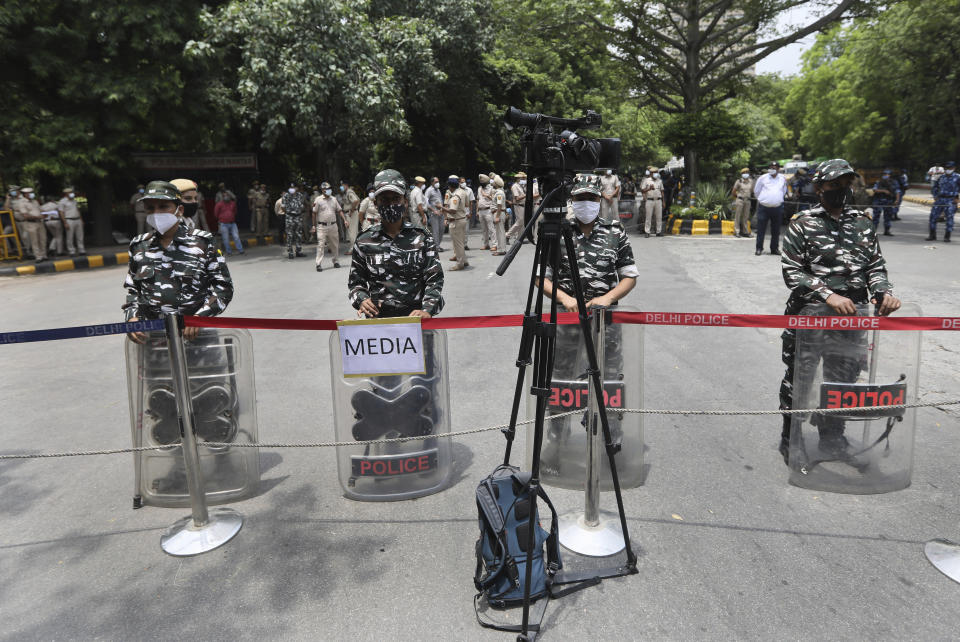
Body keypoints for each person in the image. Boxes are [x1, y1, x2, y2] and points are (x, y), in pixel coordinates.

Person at [778, 159, 900, 464]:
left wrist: (883, 290)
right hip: (811, 316)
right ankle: (790, 439)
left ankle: (833, 437)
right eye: (835, 185)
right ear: (820, 188)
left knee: (842, 381)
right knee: (800, 378)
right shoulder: (803, 223)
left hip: (852, 317)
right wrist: (828, 294)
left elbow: (874, 265)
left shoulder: (862, 221)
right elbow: (792, 271)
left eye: (847, 184)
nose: (842, 190)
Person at [539, 173, 639, 444]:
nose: (586, 203)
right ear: (572, 200)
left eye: (591, 198)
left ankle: (610, 440)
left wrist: (608, 297)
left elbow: (629, 275)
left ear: (599, 200)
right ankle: (557, 441)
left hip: (605, 322)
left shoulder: (614, 231)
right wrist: (565, 298)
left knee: (608, 382)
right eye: (580, 198)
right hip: (567, 321)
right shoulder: (559, 232)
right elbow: (541, 278)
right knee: (561, 381)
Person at [123, 180, 233, 344]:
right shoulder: (139, 245)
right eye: (150, 208)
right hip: (154, 340)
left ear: (179, 209)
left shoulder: (202, 242)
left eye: (163, 207)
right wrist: (132, 319)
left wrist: (200, 317)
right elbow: (133, 290)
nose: (156, 213)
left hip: (198, 340)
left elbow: (223, 288)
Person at [348, 169, 444, 319]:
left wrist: (427, 309)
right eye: (384, 199)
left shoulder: (422, 237)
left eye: (396, 198)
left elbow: (434, 278)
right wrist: (362, 299)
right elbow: (356, 283)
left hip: (416, 319)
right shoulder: (364, 241)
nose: (391, 204)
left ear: (405, 202)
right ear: (376, 203)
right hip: (378, 321)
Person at [753, 161, 787, 256]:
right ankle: (759, 248)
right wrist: (765, 199)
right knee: (761, 229)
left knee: (776, 230)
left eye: (775, 167)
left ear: (778, 169)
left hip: (777, 208)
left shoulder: (782, 179)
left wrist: (776, 199)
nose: (773, 169)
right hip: (764, 208)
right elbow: (756, 191)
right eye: (771, 167)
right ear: (769, 169)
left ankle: (774, 249)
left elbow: (783, 191)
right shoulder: (763, 178)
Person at [312, 181, 348, 271]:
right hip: (321, 226)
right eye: (326, 189)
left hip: (333, 225)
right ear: (323, 190)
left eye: (329, 189)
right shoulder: (318, 200)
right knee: (321, 245)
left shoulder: (334, 199)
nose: (328, 190)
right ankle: (318, 264)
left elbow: (339, 210)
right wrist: (313, 226)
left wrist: (345, 220)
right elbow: (314, 213)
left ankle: (336, 261)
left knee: (335, 245)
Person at [442, 175, 469, 271]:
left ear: (450, 186)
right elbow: (467, 204)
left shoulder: (455, 196)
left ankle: (460, 263)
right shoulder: (462, 192)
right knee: (461, 242)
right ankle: (464, 260)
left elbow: (452, 210)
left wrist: (441, 207)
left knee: (457, 244)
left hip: (456, 221)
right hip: (462, 219)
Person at [928, 160, 959, 242]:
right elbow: (935, 187)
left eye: (950, 168)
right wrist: (935, 196)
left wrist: (957, 198)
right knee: (933, 217)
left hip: (951, 199)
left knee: (949, 218)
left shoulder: (958, 177)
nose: (948, 169)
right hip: (940, 199)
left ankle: (947, 236)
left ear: (954, 168)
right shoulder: (941, 177)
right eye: (947, 168)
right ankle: (932, 235)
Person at [14, 187, 47, 262]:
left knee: (42, 239)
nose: (31, 194)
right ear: (25, 194)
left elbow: (41, 210)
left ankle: (44, 255)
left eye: (31, 192)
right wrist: (37, 216)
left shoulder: (35, 201)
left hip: (40, 222)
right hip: (31, 223)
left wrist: (45, 214)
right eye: (29, 193)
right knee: (34, 240)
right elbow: (25, 215)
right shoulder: (22, 203)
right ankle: (38, 257)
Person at [280, 181, 308, 259]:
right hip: (290, 217)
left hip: (298, 217)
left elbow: (302, 205)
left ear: (297, 188)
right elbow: (283, 207)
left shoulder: (300, 195)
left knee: (299, 234)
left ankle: (298, 251)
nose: (292, 189)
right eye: (290, 187)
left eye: (294, 187)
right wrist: (289, 213)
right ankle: (290, 252)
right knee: (289, 235)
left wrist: (299, 211)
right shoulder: (286, 196)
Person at [214, 190, 244, 255]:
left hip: (232, 223)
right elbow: (216, 214)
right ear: (222, 197)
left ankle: (241, 250)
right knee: (226, 239)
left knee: (236, 237)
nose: (226, 197)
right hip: (223, 224)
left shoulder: (233, 203)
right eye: (224, 196)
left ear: (230, 196)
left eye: (227, 195)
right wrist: (221, 219)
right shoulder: (219, 204)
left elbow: (235, 212)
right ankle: (229, 252)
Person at [871, 169, 899, 236]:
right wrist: (884, 191)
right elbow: (875, 190)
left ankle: (887, 231)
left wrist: (896, 200)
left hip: (888, 201)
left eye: (887, 174)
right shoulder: (879, 182)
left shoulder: (894, 182)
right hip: (878, 201)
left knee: (888, 216)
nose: (885, 176)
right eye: (884, 174)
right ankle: (873, 232)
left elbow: (898, 191)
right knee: (876, 217)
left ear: (890, 175)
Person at [639, 166, 664, 237]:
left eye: (657, 172)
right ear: (651, 174)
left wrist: (663, 201)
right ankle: (647, 231)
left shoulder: (660, 181)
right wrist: (649, 189)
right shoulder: (646, 180)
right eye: (654, 173)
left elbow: (662, 191)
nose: (656, 174)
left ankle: (658, 231)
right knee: (648, 217)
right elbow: (642, 190)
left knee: (659, 217)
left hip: (658, 200)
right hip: (649, 200)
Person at [730, 168, 753, 238]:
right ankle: (736, 231)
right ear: (742, 174)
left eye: (747, 172)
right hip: (740, 200)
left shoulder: (751, 181)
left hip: (748, 201)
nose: (746, 173)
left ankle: (745, 232)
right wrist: (738, 197)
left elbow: (752, 191)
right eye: (744, 172)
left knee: (745, 217)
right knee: (738, 216)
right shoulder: (739, 181)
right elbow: (733, 191)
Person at [506, 172, 528, 244]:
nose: (524, 179)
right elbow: (517, 198)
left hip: (523, 205)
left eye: (524, 178)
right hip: (518, 205)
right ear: (518, 178)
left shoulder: (522, 186)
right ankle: (507, 235)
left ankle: (519, 238)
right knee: (519, 221)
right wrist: (526, 195)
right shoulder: (515, 186)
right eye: (523, 178)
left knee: (523, 222)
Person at [340, 179, 361, 253]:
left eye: (342, 185)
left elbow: (355, 201)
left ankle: (353, 249)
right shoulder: (347, 192)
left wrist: (351, 210)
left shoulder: (349, 192)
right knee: (353, 231)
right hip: (351, 213)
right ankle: (355, 248)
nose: (341, 187)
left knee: (351, 232)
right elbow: (358, 199)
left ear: (346, 185)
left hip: (351, 214)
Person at [424, 176, 444, 250]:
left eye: (438, 182)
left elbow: (440, 200)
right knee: (436, 230)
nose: (437, 183)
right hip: (434, 213)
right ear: (432, 182)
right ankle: (436, 246)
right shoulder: (429, 190)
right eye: (436, 182)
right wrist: (433, 210)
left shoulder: (438, 190)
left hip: (441, 212)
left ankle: (438, 244)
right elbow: (426, 202)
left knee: (441, 229)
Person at [476, 173, 495, 250]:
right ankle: (486, 244)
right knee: (484, 229)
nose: (481, 183)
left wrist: (487, 195)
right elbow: (478, 199)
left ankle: (494, 245)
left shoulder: (491, 188)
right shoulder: (479, 188)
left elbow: (494, 199)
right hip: (481, 210)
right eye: (480, 182)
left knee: (491, 228)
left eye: (482, 182)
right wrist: (477, 210)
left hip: (488, 210)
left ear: (486, 182)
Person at [491, 174, 507, 255]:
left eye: (493, 182)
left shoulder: (499, 193)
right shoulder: (499, 192)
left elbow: (499, 205)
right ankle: (501, 249)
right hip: (499, 213)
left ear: (496, 184)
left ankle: (501, 250)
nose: (492, 183)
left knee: (500, 232)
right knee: (500, 232)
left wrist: (497, 217)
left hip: (498, 213)